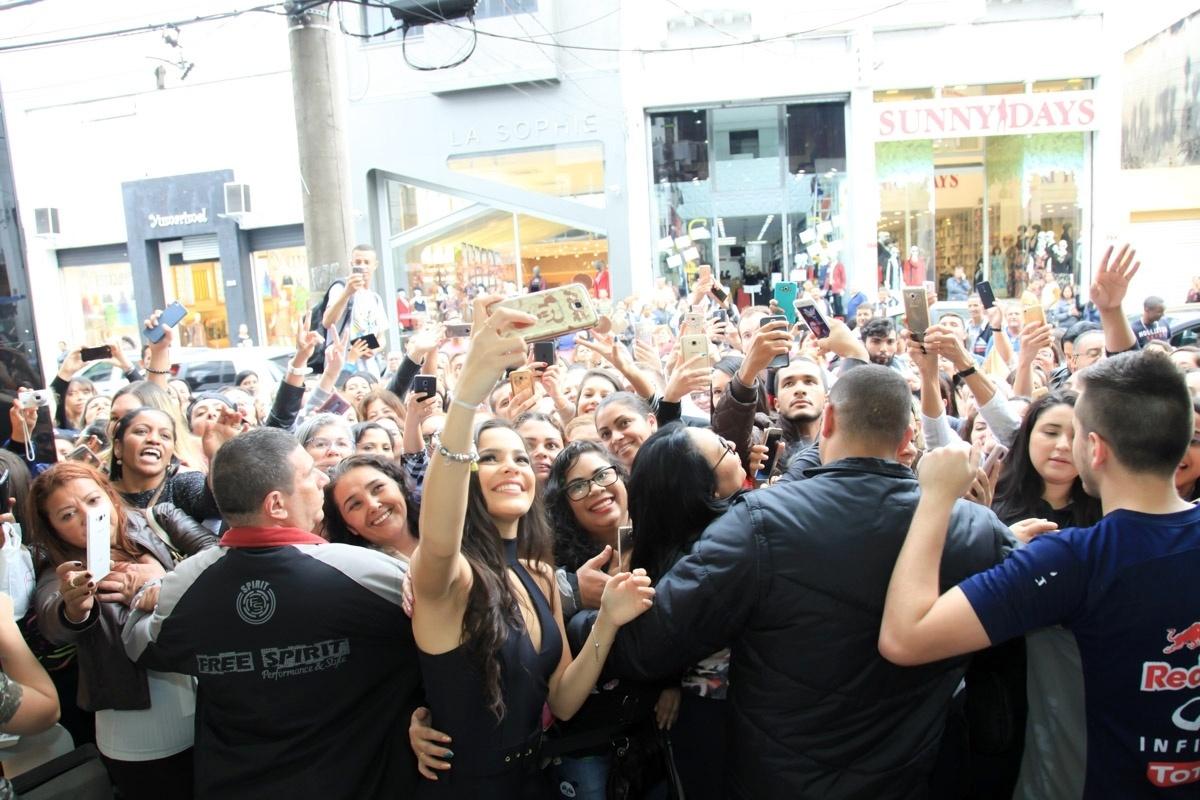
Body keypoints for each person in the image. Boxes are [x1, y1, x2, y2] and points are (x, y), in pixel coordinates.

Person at [598, 364, 1015, 798]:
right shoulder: (974, 529)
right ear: (908, 439)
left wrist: (586, 614)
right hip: (912, 778)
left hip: (780, 782)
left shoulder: (758, 524)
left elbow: (647, 647)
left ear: (828, 420)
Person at [880, 350, 1199, 798]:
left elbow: (904, 638)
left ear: (1095, 448)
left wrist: (935, 499)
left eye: (1076, 432)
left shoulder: (1073, 559)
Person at [408, 298, 653, 798]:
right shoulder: (450, 576)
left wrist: (606, 617)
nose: (512, 466)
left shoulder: (540, 574)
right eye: (489, 458)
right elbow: (437, 537)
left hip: (535, 780)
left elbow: (562, 701)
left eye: (520, 457)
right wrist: (468, 398)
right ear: (467, 478)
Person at [122, 427, 423, 799]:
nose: (322, 478)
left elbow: (140, 643)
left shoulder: (182, 586)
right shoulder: (366, 573)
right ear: (277, 504)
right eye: (309, 472)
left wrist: (148, 594)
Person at [30, 461, 216, 798]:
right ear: (53, 529)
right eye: (67, 515)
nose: (87, 518)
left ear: (109, 495)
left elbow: (222, 555)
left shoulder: (161, 519)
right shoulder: (62, 572)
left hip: (208, 707)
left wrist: (164, 579)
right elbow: (53, 619)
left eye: (92, 500)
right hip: (136, 731)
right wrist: (74, 606)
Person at [324, 453, 420, 560]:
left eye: (377, 488)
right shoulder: (361, 573)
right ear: (349, 526)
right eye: (356, 504)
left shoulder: (440, 528)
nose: (373, 505)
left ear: (399, 485)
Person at [322, 244, 388, 376]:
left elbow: (382, 338)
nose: (362, 266)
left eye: (367, 262)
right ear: (351, 263)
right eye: (358, 262)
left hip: (370, 372)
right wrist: (347, 292)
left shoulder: (375, 298)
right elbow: (327, 322)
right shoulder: (340, 289)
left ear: (375, 265)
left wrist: (373, 350)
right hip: (341, 371)